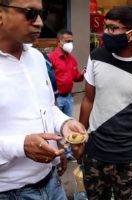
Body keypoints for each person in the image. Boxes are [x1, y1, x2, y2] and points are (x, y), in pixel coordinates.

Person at [0, 0, 86, 199]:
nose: (39, 22)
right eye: (30, 13)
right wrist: (21, 145)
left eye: (42, 14)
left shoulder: (37, 58)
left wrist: (65, 124)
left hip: (52, 183)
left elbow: (47, 108)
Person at [79, 6, 132, 200]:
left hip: (130, 157)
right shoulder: (96, 56)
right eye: (105, 27)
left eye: (112, 28)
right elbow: (88, 99)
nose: (106, 33)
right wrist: (80, 137)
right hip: (94, 152)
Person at [48, 29, 85, 160]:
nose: (70, 44)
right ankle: (55, 152)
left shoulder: (72, 60)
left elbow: (76, 78)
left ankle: (68, 153)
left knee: (67, 126)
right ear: (59, 42)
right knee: (53, 127)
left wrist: (83, 75)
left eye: (72, 41)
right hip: (56, 99)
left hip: (68, 97)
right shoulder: (51, 59)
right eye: (68, 41)